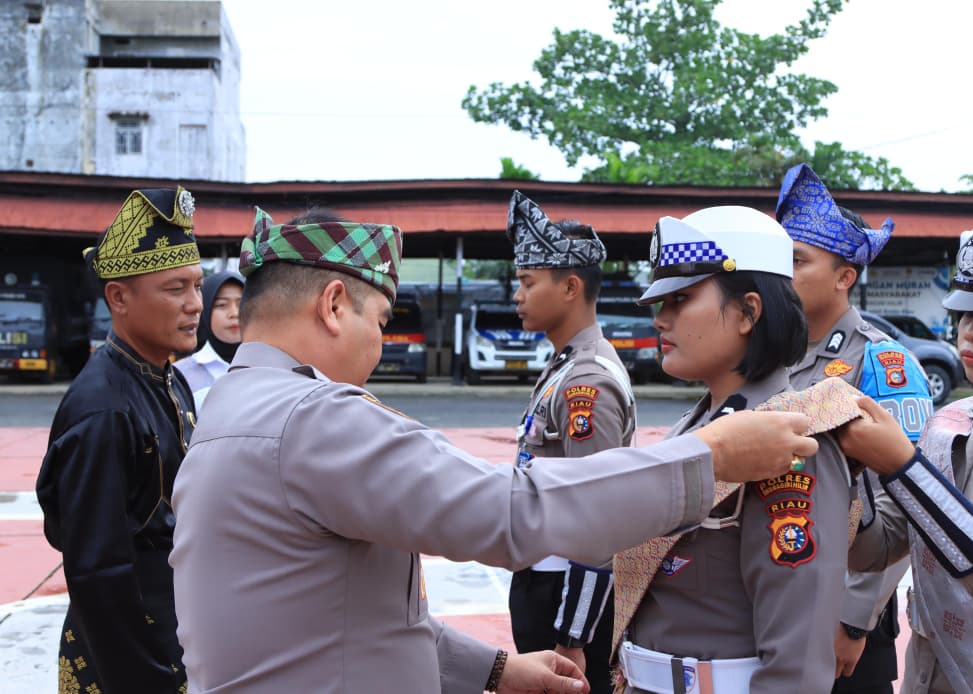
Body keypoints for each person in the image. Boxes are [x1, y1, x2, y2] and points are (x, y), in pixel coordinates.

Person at [169, 206, 823, 694]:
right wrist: (711, 459)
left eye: (682, 299)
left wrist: (498, 670)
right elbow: (509, 509)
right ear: (335, 305)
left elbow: (350, 617)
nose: (378, 343)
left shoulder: (231, 407)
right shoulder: (310, 418)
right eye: (381, 321)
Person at [611, 206, 864, 694]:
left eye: (680, 299)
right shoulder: (699, 423)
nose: (661, 320)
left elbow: (796, 664)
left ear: (749, 311)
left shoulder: (791, 437)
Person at [839, 218, 973, 693]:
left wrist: (904, 471)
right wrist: (851, 471)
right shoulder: (951, 420)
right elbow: (877, 548)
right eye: (966, 314)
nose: (970, 333)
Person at [36, 187, 202, 694]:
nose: (195, 304)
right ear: (120, 297)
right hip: (130, 656)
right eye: (175, 289)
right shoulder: (104, 409)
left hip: (173, 629)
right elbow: (98, 572)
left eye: (196, 285)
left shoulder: (167, 378)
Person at [777, 163, 933, 693]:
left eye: (797, 261)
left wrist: (853, 617)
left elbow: (912, 502)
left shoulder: (883, 363)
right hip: (778, 601)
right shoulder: (771, 357)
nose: (783, 273)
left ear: (845, 277)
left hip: (848, 618)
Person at [507, 191, 633, 693]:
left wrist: (574, 632)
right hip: (542, 581)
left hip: (566, 597)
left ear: (570, 287)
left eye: (527, 282)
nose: (517, 295)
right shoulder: (564, 367)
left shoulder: (588, 382)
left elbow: (597, 514)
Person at [174, 269, 245, 408]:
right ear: (204, 311)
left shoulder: (272, 368)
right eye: (221, 305)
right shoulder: (180, 375)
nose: (234, 313)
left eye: (241, 303)